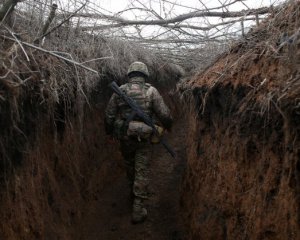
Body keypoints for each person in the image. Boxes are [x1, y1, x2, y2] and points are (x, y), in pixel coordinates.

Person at [105, 61, 173, 224]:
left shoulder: (119, 91)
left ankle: (133, 194)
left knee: (130, 166)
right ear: (144, 75)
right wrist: (168, 125)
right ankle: (138, 207)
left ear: (130, 74)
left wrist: (109, 132)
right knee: (141, 169)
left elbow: (109, 115)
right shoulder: (151, 91)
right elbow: (164, 114)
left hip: (125, 136)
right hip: (144, 138)